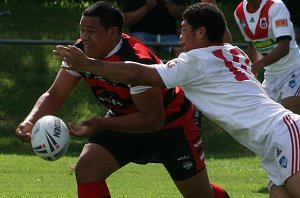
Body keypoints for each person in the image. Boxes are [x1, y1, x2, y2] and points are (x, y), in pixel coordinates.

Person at [54, 2, 300, 197]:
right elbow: (222, 33)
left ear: (201, 32)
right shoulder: (232, 51)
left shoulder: (196, 62)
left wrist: (88, 64)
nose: (180, 37)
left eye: (183, 30)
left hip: (282, 132)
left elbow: (139, 73)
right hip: (273, 141)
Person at [16, 1, 229, 198]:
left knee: (200, 195)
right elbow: (55, 95)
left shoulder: (137, 60)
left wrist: (100, 123)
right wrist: (30, 121)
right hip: (123, 120)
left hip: (172, 126)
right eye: (82, 30)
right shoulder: (81, 52)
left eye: (91, 31)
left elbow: (153, 119)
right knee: (88, 168)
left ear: (113, 33)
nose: (84, 37)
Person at [234, 0, 300, 115]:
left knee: (290, 111)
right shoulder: (239, 12)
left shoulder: (275, 6)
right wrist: (250, 72)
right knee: (262, 117)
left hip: (294, 70)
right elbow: (252, 44)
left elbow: (284, 47)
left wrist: (259, 65)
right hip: (270, 76)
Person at [119, 0, 185, 57]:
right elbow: (126, 21)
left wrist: (168, 2)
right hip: (141, 35)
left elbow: (182, 16)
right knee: (147, 52)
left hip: (169, 35)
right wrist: (146, 7)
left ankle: (180, 70)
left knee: (183, 51)